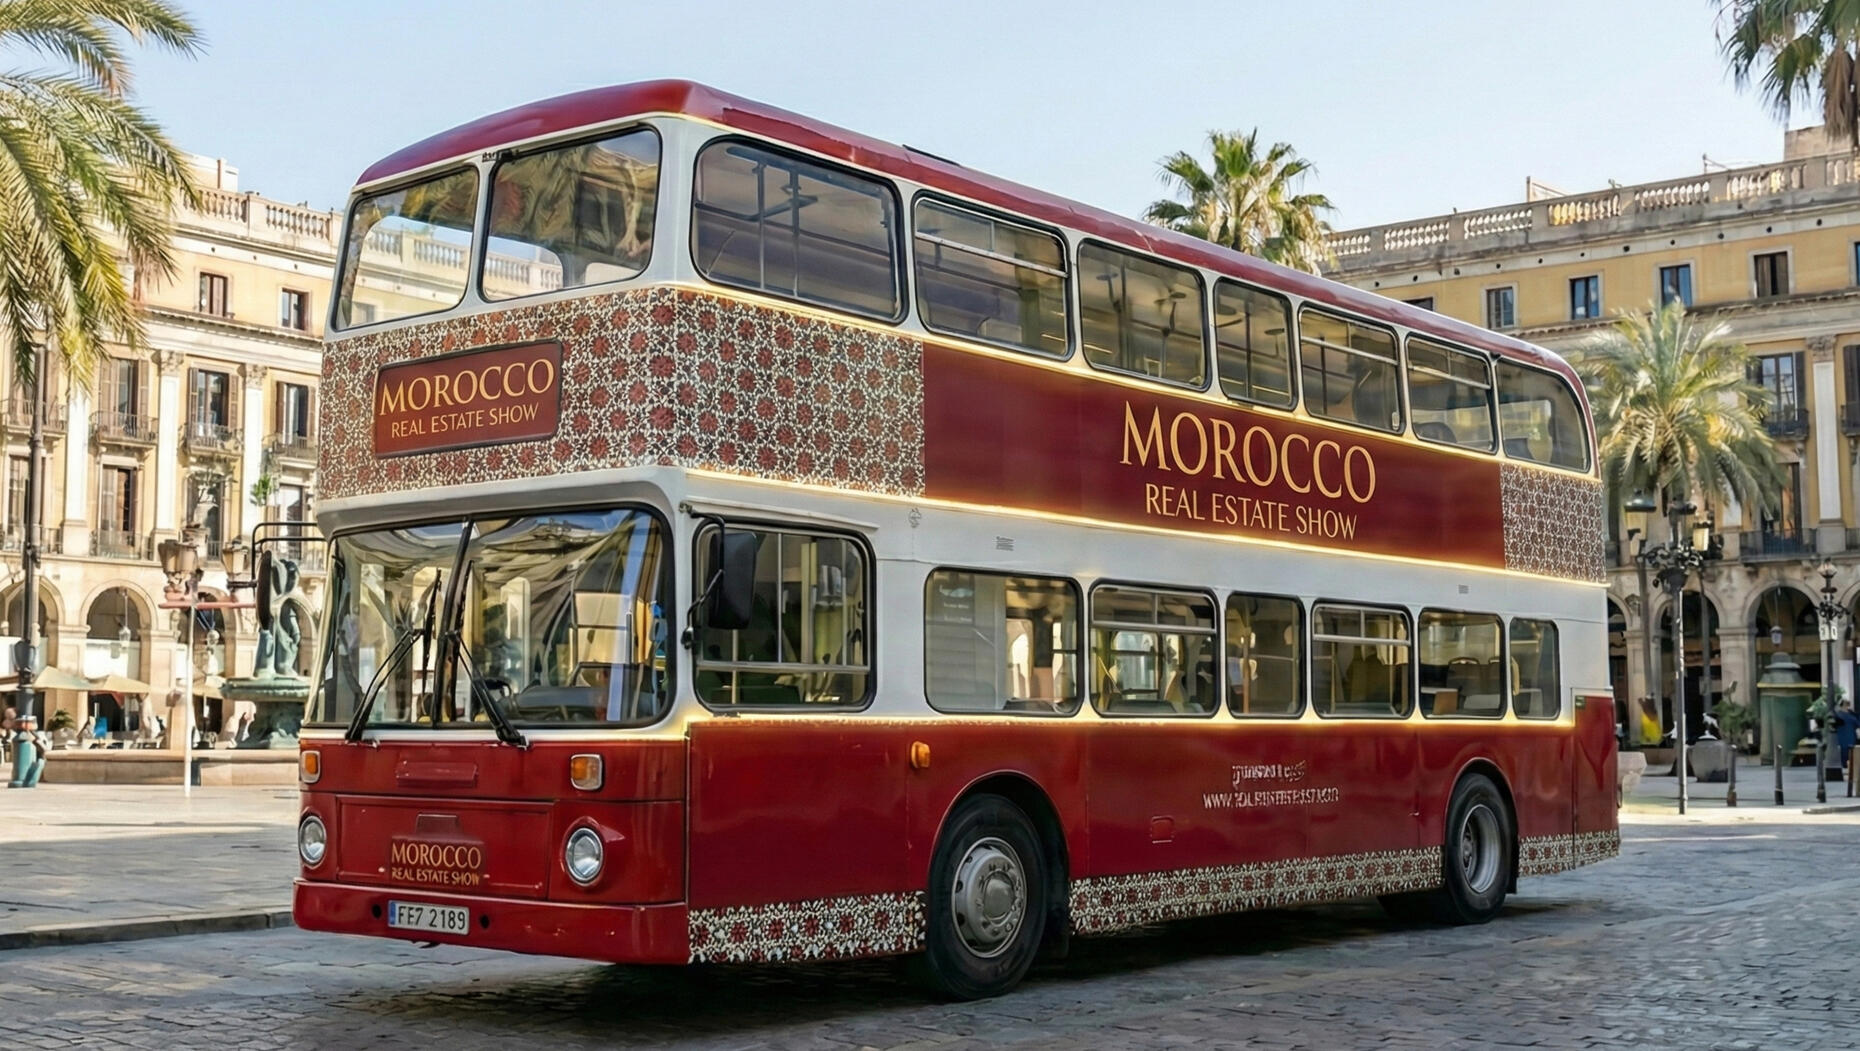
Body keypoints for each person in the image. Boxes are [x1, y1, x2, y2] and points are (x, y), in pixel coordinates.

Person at [7, 715, 48, 788]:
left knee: (39, 762)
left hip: (37, 751)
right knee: (39, 762)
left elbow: (41, 746)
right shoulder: (31, 734)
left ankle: (40, 777)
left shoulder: (35, 734)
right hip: (36, 750)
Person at [1833, 698, 1860, 772]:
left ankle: (1845, 770)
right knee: (1850, 757)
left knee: (1844, 758)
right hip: (1849, 739)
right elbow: (1858, 724)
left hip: (1841, 739)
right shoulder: (1851, 716)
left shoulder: (1837, 715)